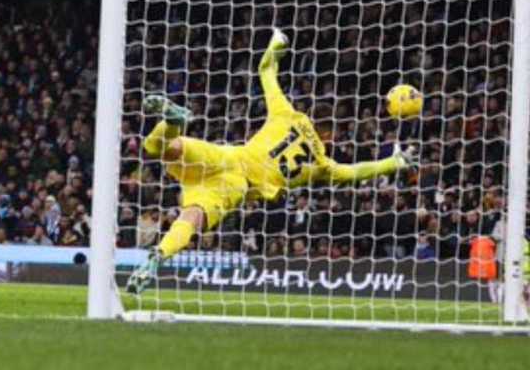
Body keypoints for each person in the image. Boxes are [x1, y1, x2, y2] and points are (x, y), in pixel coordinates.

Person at [126, 29, 418, 294]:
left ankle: (173, 121)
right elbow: (356, 171)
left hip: (227, 157)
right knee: (193, 216)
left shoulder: (286, 114)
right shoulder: (321, 164)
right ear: (329, 135)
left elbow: (266, 69)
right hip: (236, 185)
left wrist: (277, 43)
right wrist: (395, 162)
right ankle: (159, 255)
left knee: (162, 148)